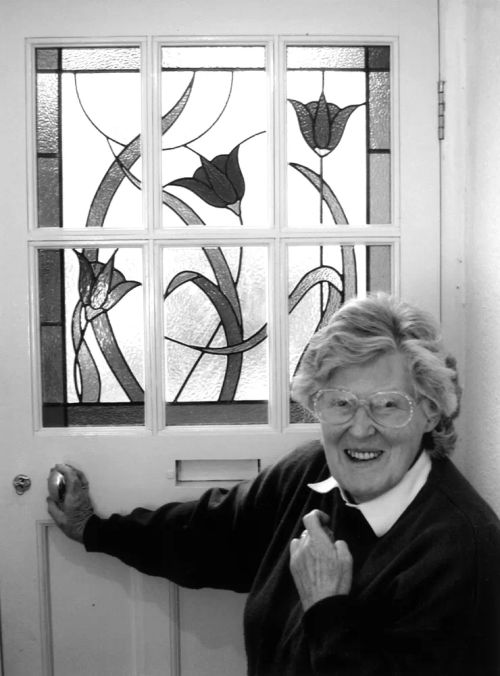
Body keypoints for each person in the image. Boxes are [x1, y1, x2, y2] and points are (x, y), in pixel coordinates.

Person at [48, 293, 500, 676]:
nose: (360, 429)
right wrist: (94, 528)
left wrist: (326, 607)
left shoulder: (463, 551)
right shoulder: (313, 472)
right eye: (340, 402)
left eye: (387, 405)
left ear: (431, 411)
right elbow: (209, 535)